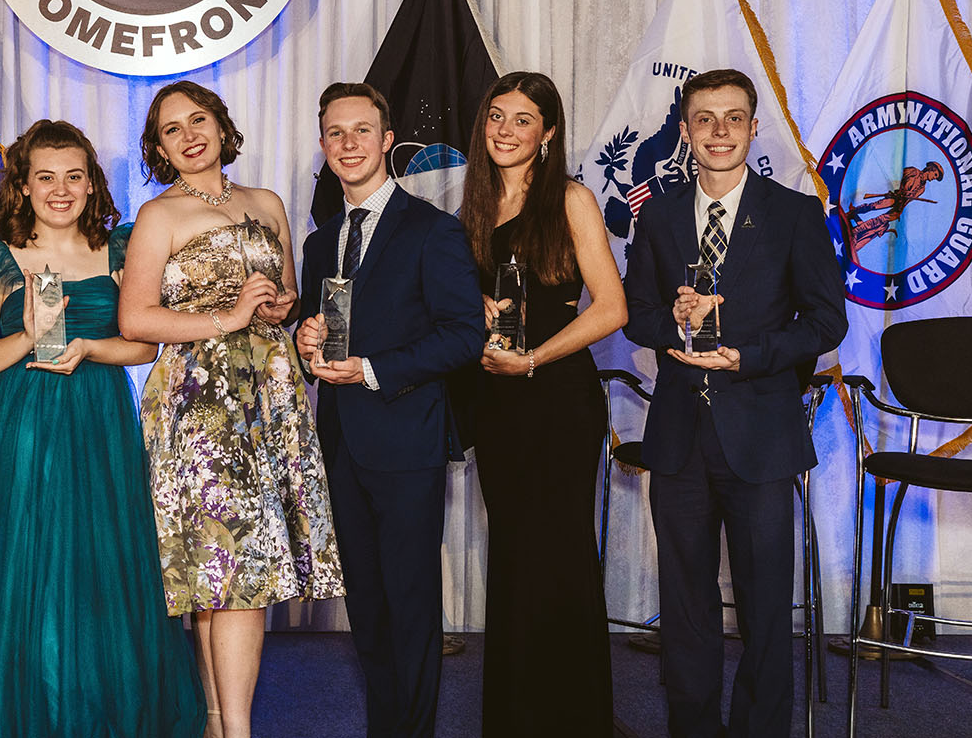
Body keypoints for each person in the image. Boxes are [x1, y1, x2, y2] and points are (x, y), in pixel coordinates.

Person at [0, 120, 205, 737]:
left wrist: (90, 346)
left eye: (74, 176)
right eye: (46, 177)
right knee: (30, 562)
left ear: (93, 184)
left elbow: (143, 347)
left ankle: (108, 709)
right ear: (23, 187)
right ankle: (35, 712)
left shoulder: (117, 252)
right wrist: (27, 334)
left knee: (104, 561)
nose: (61, 189)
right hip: (25, 425)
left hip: (99, 419)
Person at [622, 68, 846, 738]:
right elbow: (637, 315)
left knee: (765, 605)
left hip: (763, 437)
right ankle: (691, 728)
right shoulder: (658, 215)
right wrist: (675, 323)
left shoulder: (795, 213)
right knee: (685, 604)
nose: (719, 131)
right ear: (685, 131)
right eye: (704, 119)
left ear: (753, 126)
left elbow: (825, 323)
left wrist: (745, 353)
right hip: (680, 437)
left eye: (733, 117)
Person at [119, 80, 343, 738]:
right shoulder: (158, 217)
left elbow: (288, 296)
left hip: (271, 397)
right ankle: (237, 732)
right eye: (171, 130)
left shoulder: (268, 203)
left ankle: (220, 724)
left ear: (220, 125)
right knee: (232, 568)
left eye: (198, 119)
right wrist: (228, 315)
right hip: (199, 406)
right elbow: (136, 317)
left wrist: (276, 308)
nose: (189, 134)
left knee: (227, 572)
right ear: (158, 148)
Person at [295, 82, 488, 738]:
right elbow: (318, 330)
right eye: (335, 134)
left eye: (361, 131)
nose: (349, 145)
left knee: (409, 607)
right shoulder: (322, 244)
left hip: (406, 440)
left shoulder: (433, 230)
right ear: (323, 148)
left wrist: (374, 370)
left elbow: (466, 333)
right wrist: (305, 339)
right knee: (369, 610)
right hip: (342, 444)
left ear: (385, 140)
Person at [453, 72, 626, 736]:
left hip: (557, 400)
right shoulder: (470, 208)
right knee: (516, 559)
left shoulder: (572, 200)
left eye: (523, 119)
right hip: (497, 403)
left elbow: (612, 308)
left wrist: (533, 357)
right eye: (496, 116)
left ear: (548, 133)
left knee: (557, 555)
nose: (505, 130)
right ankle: (518, 718)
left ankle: (574, 720)